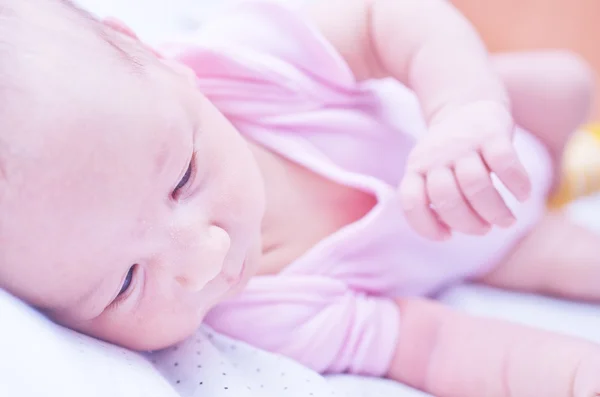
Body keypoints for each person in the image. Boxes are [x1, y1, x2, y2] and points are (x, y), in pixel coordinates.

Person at [0, 0, 598, 395]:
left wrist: (462, 105)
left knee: (565, 80)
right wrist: (574, 374)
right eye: (127, 282)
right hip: (495, 247)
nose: (208, 255)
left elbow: (386, 19)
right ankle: (575, 179)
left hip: (483, 123)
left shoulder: (245, 66)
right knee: (579, 266)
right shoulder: (262, 316)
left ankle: (570, 159)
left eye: (184, 175)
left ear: (160, 63)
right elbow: (430, 343)